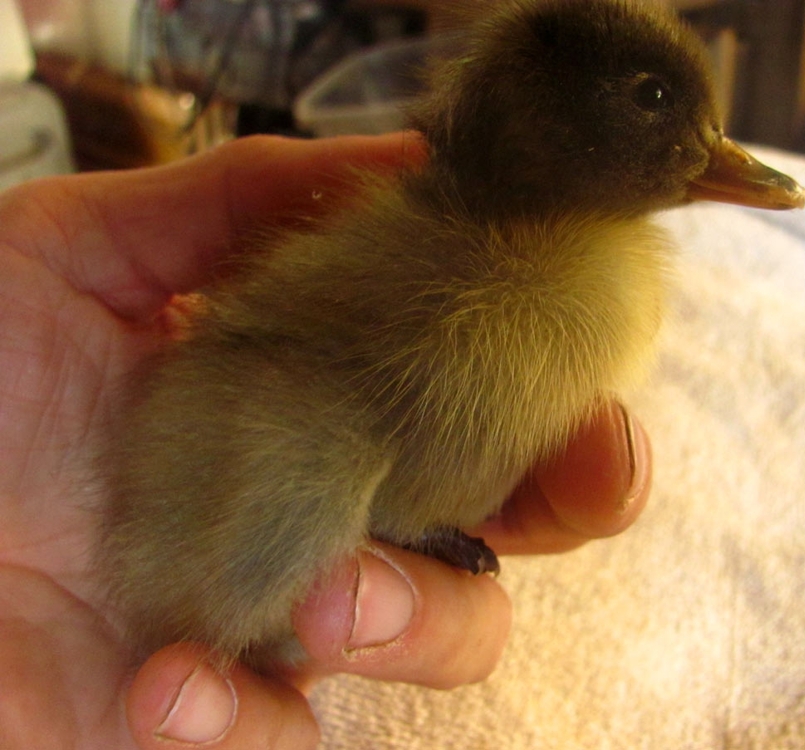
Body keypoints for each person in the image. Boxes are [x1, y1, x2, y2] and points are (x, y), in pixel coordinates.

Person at [0, 133, 651, 750]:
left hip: (214, 515)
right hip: (260, 490)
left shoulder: (522, 279)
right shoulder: (508, 277)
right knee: (316, 480)